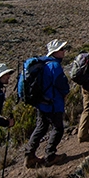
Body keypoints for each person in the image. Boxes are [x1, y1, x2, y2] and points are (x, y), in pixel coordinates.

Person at [25, 39, 70, 168]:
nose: (64, 52)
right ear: (55, 52)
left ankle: (29, 155)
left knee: (41, 127)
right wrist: (65, 93)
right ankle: (50, 156)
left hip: (40, 102)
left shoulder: (42, 64)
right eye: (61, 49)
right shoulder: (54, 66)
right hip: (53, 103)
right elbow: (61, 85)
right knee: (58, 128)